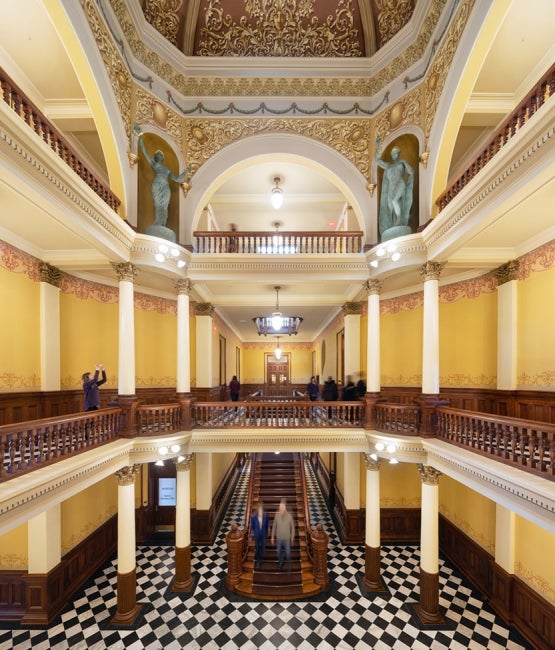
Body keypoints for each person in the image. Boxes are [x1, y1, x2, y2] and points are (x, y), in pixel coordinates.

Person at [133, 123, 191, 227]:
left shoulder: (167, 170)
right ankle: (157, 222)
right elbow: (144, 151)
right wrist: (140, 135)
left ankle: (162, 224)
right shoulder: (154, 164)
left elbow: (177, 179)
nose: (159, 156)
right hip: (157, 183)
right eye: (157, 155)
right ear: (155, 157)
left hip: (165, 186)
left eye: (160, 155)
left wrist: (186, 171)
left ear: (162, 158)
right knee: (157, 203)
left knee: (164, 205)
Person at [375, 141, 414, 237]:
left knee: (394, 201)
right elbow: (377, 161)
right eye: (392, 154)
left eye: (395, 153)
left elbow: (411, 172)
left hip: (400, 184)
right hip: (391, 188)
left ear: (398, 153)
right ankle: (393, 225)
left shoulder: (402, 163)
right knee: (390, 208)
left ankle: (399, 221)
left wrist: (405, 163)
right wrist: (378, 148)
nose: (393, 155)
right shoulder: (388, 165)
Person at [271, 499, 295, 571]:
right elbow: (274, 526)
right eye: (279, 507)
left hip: (287, 538)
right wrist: (272, 537)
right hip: (278, 538)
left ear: (284, 508)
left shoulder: (289, 516)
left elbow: (292, 528)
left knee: (287, 552)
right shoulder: (277, 515)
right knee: (278, 552)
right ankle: (281, 561)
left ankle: (289, 565)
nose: (280, 509)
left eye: (281, 508)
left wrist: (292, 537)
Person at [250, 501, 269, 569]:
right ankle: (258, 561)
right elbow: (252, 526)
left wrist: (268, 531)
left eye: (261, 509)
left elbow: (267, 524)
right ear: (258, 509)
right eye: (259, 509)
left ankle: (260, 556)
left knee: (263, 548)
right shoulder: (254, 516)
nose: (260, 510)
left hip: (263, 534)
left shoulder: (265, 515)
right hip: (257, 534)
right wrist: (251, 534)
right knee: (257, 548)